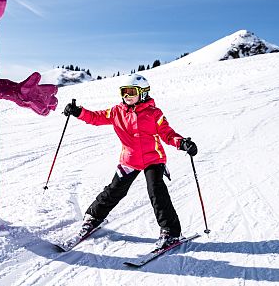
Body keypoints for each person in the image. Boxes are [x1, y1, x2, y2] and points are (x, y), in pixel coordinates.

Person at [63, 74, 198, 250]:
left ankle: (170, 232)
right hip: (130, 158)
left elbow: (167, 133)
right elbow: (96, 118)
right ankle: (93, 218)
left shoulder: (154, 113)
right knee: (115, 190)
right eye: (124, 92)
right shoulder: (117, 111)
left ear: (142, 93)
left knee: (156, 191)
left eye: (131, 92)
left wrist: (182, 143)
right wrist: (78, 111)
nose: (127, 96)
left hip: (153, 158)